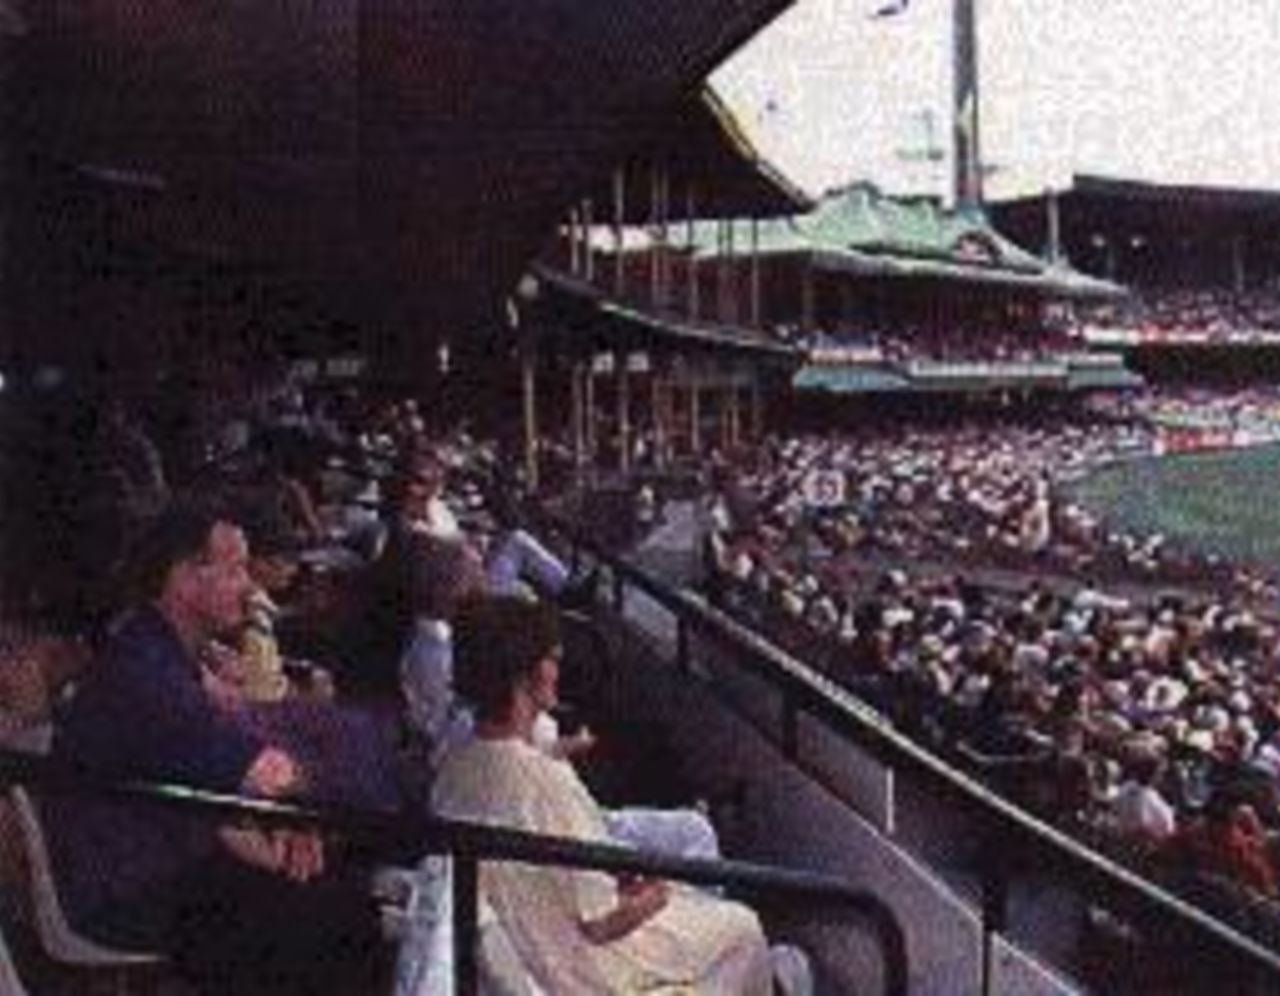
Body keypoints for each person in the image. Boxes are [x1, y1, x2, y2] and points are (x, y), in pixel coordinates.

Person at [48, 504, 387, 995]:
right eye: (234, 569)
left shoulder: (154, 646)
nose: (250, 587)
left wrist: (293, 814)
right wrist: (303, 808)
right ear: (183, 579)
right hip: (125, 892)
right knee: (337, 922)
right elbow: (270, 773)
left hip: (149, 863)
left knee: (335, 897)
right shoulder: (148, 672)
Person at [432, 595, 773, 995]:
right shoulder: (541, 780)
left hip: (539, 941)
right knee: (742, 928)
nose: (557, 670)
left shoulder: (454, 770)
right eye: (552, 659)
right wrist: (655, 894)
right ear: (526, 676)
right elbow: (601, 922)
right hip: (586, 966)